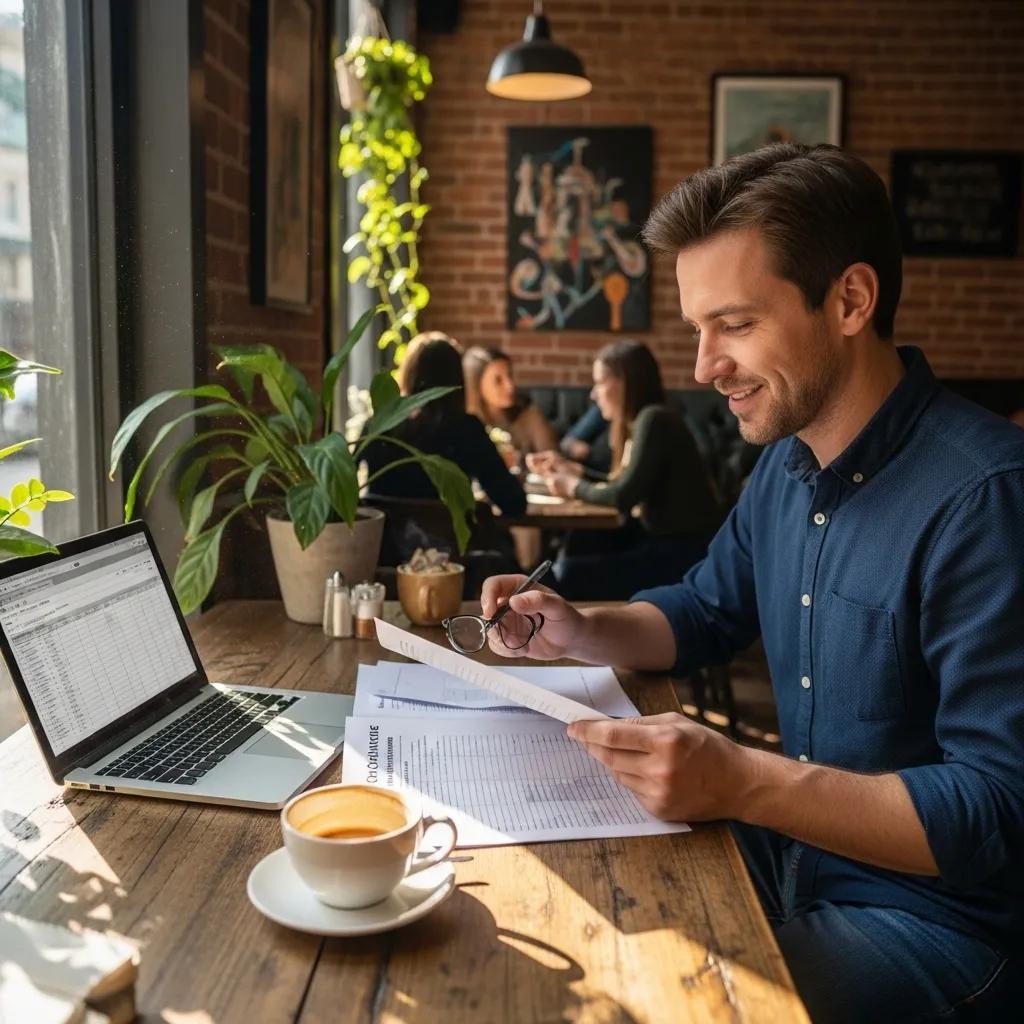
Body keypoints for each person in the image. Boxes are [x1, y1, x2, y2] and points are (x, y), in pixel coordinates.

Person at [481, 144, 1023, 1022]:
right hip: (793, 860)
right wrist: (578, 626)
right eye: (698, 329)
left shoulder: (988, 497)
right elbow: (704, 609)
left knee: (646, 1006)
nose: (703, 366)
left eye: (733, 325)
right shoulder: (785, 464)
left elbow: (996, 810)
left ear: (850, 300)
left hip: (940, 927)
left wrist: (742, 782)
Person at [528, 339, 720, 600]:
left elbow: (622, 496)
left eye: (599, 382)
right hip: (657, 540)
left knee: (570, 571)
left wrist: (572, 486)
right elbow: (625, 483)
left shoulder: (654, 419)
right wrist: (576, 472)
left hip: (681, 552)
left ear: (625, 382)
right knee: (578, 545)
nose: (593, 394)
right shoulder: (644, 419)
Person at [360, 335, 526, 518]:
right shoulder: (467, 430)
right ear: (457, 381)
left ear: (409, 376)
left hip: (383, 545)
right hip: (449, 545)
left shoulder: (377, 427)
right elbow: (514, 504)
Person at [462, 346, 559, 455]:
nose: (510, 386)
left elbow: (553, 461)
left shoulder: (530, 416)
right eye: (498, 380)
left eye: (510, 375)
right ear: (476, 385)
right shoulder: (465, 426)